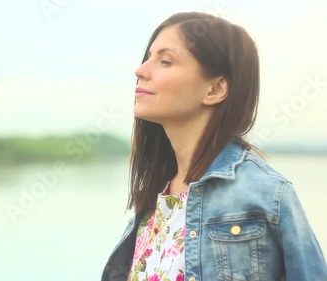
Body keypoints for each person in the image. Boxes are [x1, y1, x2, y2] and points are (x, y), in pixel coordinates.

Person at [101, 12, 327, 281]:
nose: (140, 70)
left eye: (165, 61)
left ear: (215, 89)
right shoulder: (155, 201)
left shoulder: (266, 195)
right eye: (147, 58)